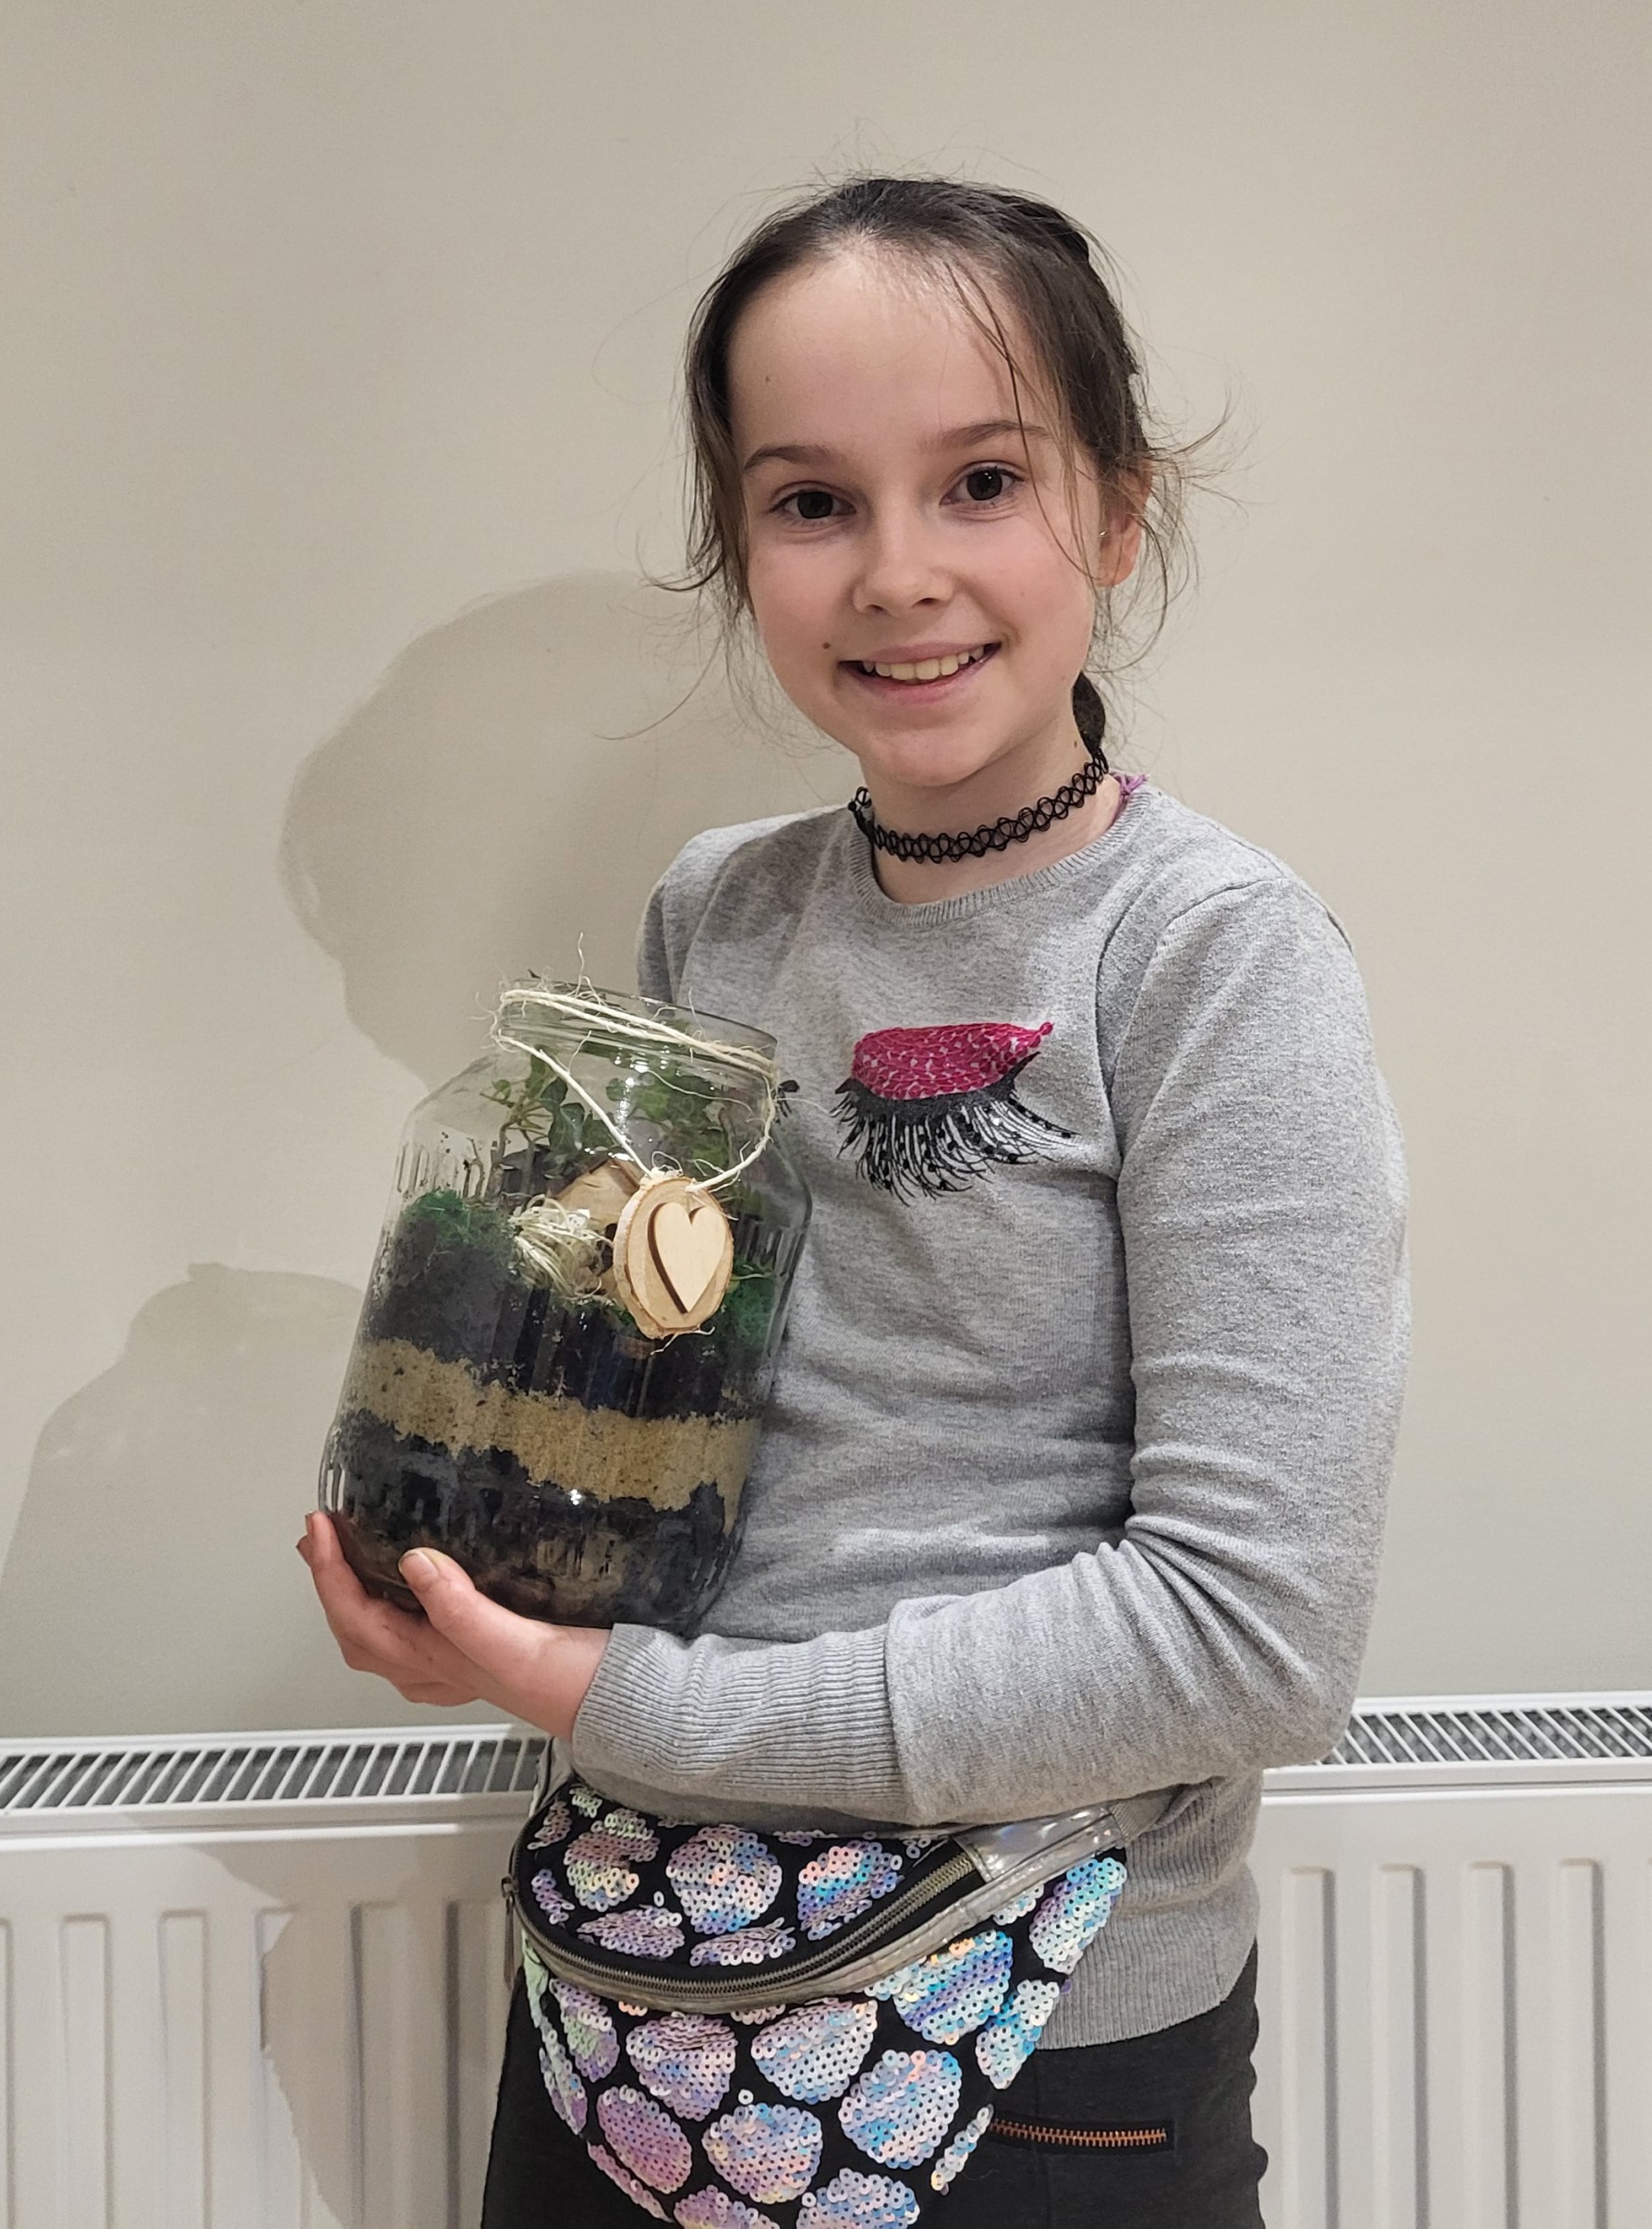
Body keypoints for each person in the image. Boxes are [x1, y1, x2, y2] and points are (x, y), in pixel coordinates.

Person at [301, 175, 1410, 2227]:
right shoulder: (717, 911)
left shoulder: (1211, 954)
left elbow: (1252, 1634)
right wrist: (469, 1566)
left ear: (1117, 512)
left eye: (982, 480)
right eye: (812, 501)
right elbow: (652, 1419)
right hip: (642, 1967)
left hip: (1028, 2050)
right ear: (742, 546)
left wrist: (625, 1703)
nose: (899, 573)